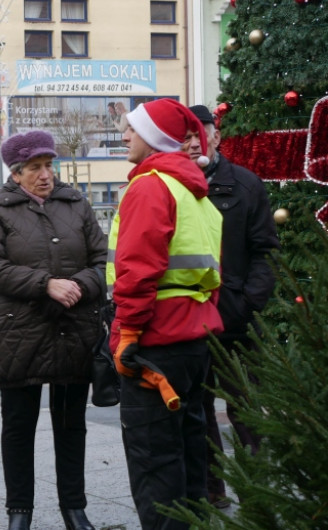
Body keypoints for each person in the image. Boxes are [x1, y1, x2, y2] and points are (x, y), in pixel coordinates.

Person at [0, 130, 107, 530]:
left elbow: (103, 259)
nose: (45, 175)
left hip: (75, 332)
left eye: (49, 166)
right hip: (20, 336)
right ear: (16, 173)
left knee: (71, 427)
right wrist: (44, 283)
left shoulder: (77, 204)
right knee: (18, 428)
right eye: (35, 168)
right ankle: (20, 511)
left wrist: (82, 285)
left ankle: (74, 508)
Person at [107, 98, 224, 530]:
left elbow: (138, 272)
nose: (123, 136)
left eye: (132, 130)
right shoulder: (195, 192)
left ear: (153, 139)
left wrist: (127, 335)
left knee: (154, 462)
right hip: (193, 340)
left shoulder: (150, 186)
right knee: (190, 453)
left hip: (154, 343)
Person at [185, 104, 279, 509]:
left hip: (237, 318)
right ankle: (212, 490)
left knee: (244, 409)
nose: (194, 142)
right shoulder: (171, 186)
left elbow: (266, 252)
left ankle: (258, 489)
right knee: (198, 411)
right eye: (186, 135)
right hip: (188, 321)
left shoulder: (245, 184)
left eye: (202, 132)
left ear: (217, 136)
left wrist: (246, 302)